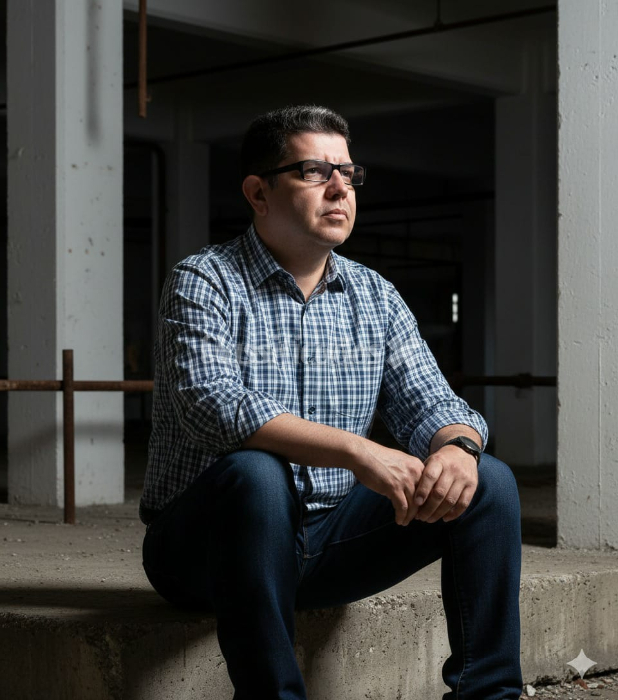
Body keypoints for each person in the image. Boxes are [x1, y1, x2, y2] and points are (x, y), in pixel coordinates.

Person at [140, 104, 523, 700]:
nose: (341, 188)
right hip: (206, 551)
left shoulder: (375, 296)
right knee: (256, 473)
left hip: (329, 544)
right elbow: (210, 404)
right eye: (315, 171)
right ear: (258, 192)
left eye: (349, 173)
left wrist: (457, 448)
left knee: (488, 482)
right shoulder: (205, 279)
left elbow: (433, 402)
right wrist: (357, 452)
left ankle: (488, 695)